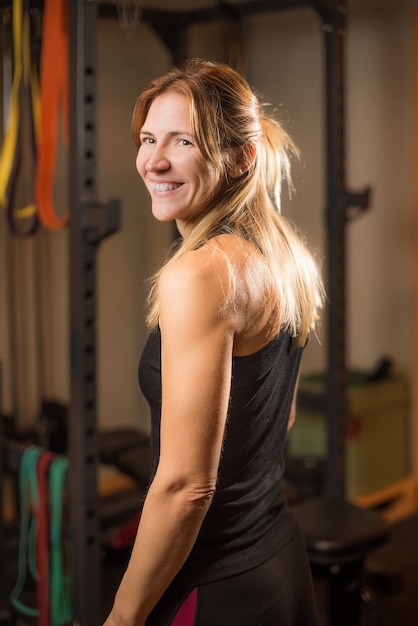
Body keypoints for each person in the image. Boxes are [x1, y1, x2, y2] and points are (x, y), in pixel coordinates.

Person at [104, 58, 324, 626]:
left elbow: (185, 486)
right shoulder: (283, 253)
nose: (154, 160)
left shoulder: (200, 274)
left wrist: (122, 618)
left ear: (240, 158)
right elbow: (281, 414)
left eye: (182, 141)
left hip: (216, 587)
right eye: (149, 138)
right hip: (276, 556)